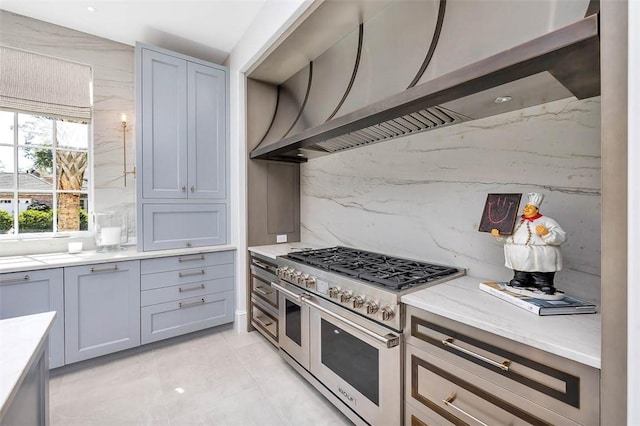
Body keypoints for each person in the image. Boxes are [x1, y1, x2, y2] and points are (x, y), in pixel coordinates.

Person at [491, 192, 567, 295]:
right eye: (526, 206)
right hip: (517, 252)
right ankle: (521, 279)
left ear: (537, 210)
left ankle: (543, 283)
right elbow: (507, 233)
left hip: (539, 252)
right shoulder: (515, 219)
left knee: (540, 269)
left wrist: (546, 233)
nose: (526, 209)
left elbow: (561, 236)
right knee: (520, 269)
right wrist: (498, 234)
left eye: (530, 208)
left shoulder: (547, 221)